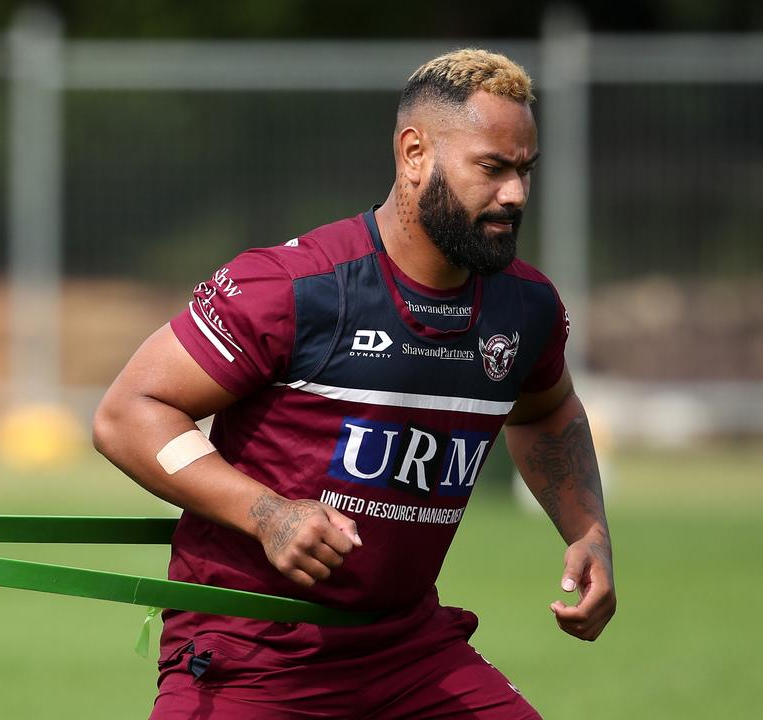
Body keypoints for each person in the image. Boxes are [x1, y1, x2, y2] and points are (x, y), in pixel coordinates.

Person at [94, 47, 615, 720]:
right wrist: (269, 514)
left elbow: (547, 412)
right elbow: (130, 411)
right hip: (253, 653)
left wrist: (588, 532)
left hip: (408, 649)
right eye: (491, 167)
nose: (514, 194)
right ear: (415, 152)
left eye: (524, 171)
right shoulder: (294, 287)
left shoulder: (526, 308)